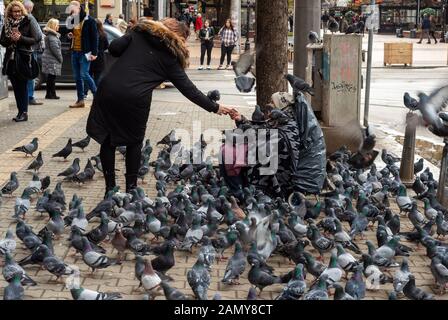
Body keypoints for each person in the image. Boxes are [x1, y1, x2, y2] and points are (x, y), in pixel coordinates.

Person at [86, 18, 237, 194]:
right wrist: (215, 107)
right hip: (135, 99)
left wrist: (131, 34)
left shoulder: (138, 33)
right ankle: (131, 191)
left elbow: (114, 48)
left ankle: (110, 189)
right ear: (179, 38)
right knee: (134, 142)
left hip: (108, 90)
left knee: (108, 139)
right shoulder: (171, 56)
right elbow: (189, 90)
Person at [0, 1, 41, 122]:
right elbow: (2, 41)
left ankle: (24, 113)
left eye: (19, 11)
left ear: (22, 10)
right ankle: (20, 112)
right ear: (10, 12)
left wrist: (20, 38)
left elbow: (37, 38)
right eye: (14, 11)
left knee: (22, 87)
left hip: (23, 58)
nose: (17, 13)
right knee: (16, 87)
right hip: (11, 59)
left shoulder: (28, 20)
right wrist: (10, 39)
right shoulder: (7, 23)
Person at [66, 1, 99, 108]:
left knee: (84, 74)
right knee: (77, 77)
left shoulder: (89, 20)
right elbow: (70, 33)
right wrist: (70, 35)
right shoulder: (73, 20)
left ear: (79, 8)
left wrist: (94, 53)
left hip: (85, 52)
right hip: (74, 51)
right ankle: (80, 100)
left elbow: (95, 38)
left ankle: (97, 96)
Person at [24, 0, 43, 106]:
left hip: (25, 49)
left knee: (26, 74)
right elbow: (38, 35)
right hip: (32, 49)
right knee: (31, 74)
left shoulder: (20, 18)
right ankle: (30, 97)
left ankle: (26, 96)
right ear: (29, 8)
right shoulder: (30, 17)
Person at [42, 18, 62, 100]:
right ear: (53, 26)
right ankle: (52, 94)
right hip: (51, 59)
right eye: (57, 25)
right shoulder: (52, 37)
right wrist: (60, 58)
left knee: (50, 77)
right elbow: (55, 50)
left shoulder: (51, 35)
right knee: (52, 78)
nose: (58, 26)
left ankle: (49, 94)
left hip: (49, 59)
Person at [85, 19, 108, 89]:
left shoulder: (88, 35)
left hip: (90, 56)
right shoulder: (104, 35)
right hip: (100, 57)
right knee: (97, 77)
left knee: (88, 75)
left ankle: (85, 92)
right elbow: (107, 46)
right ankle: (96, 92)